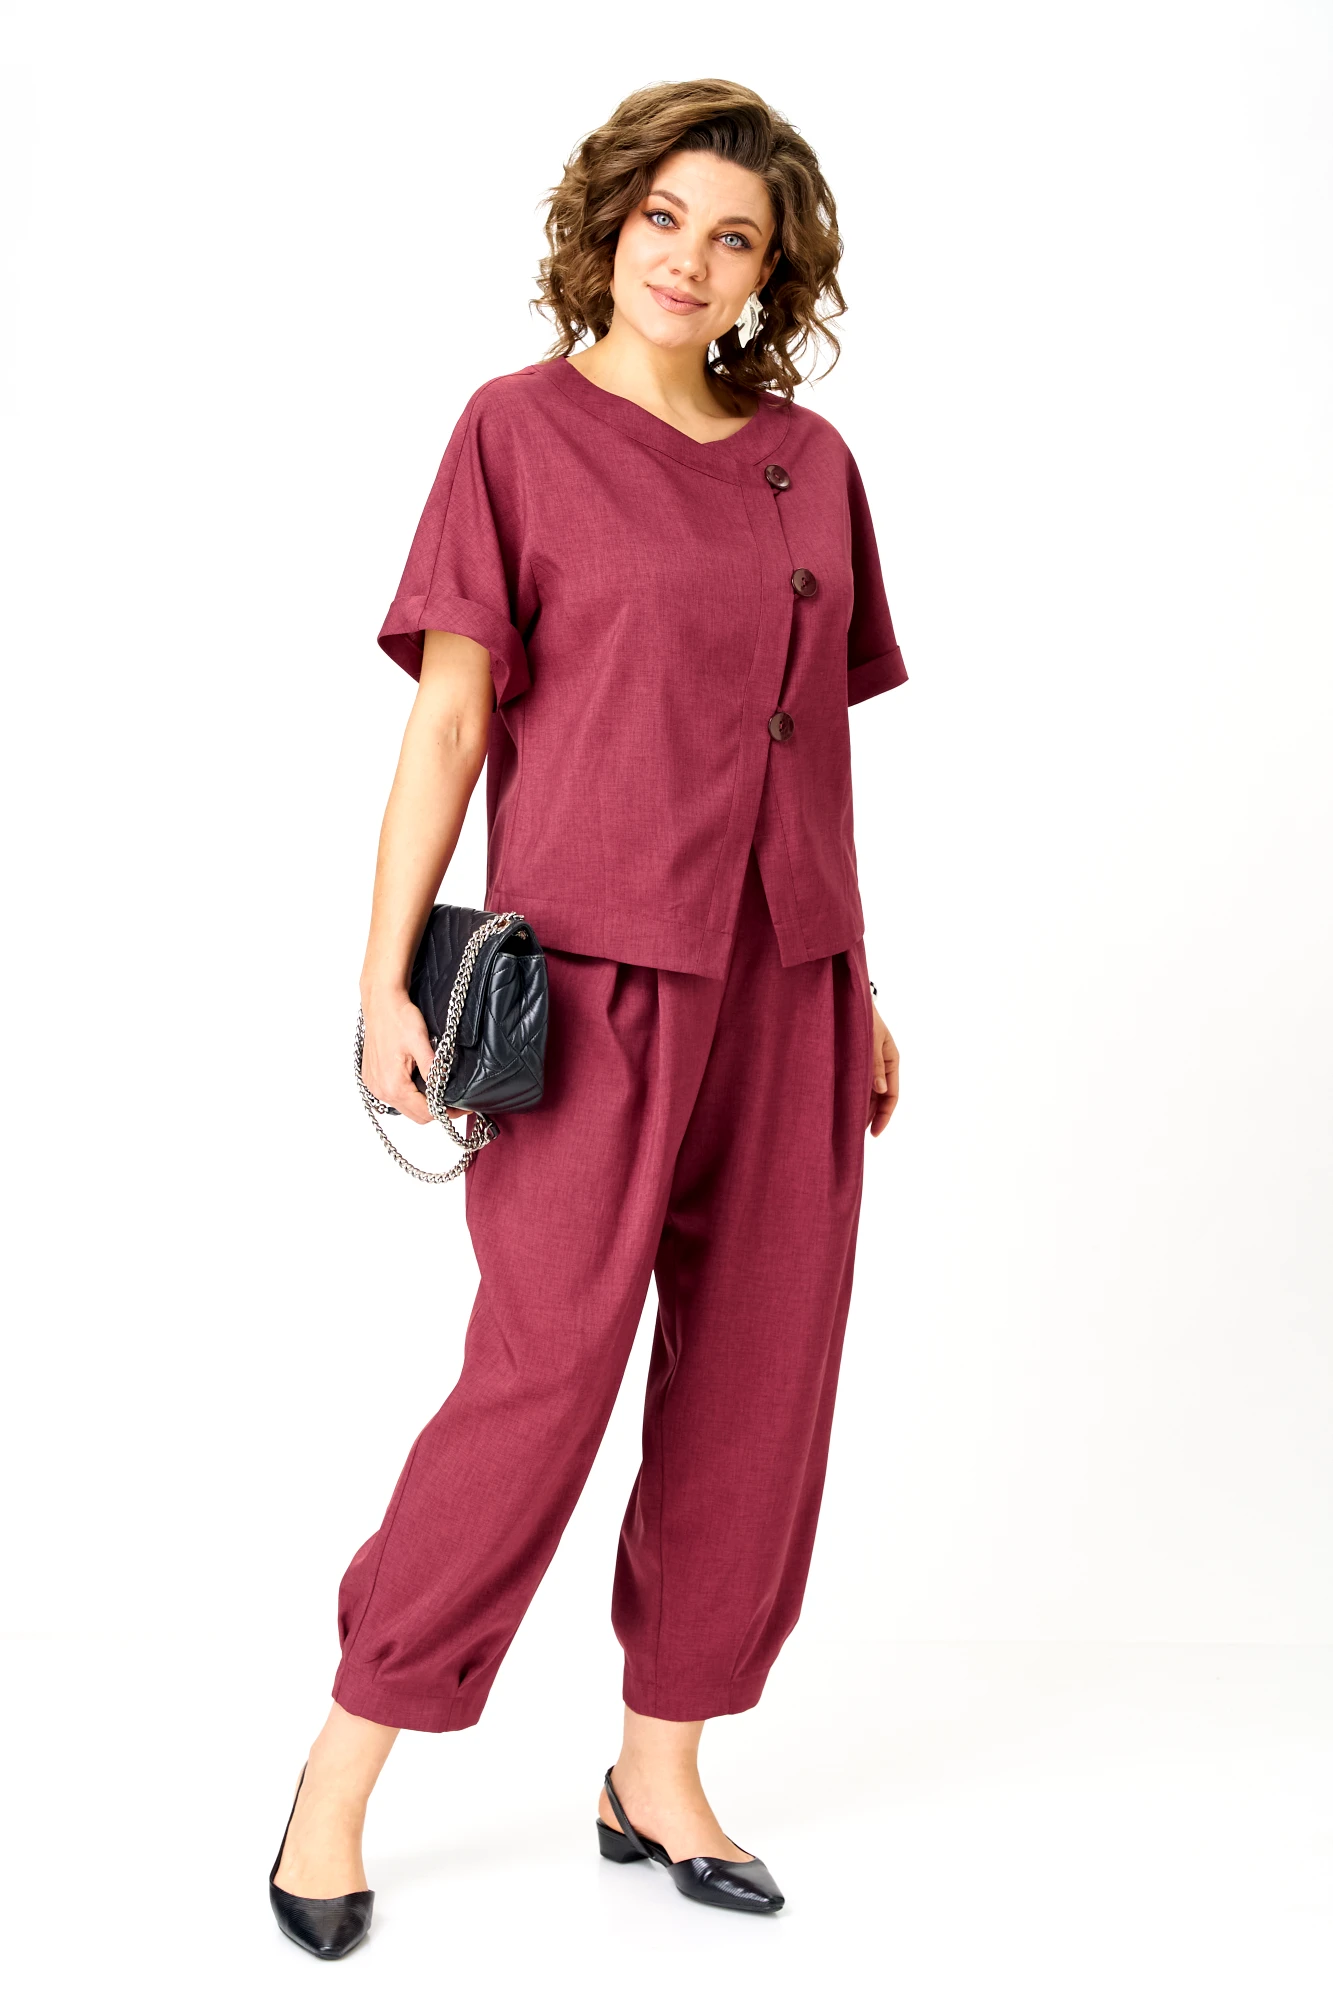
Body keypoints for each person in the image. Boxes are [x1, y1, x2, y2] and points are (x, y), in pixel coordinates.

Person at [269, 76, 907, 1958]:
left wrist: (864, 979)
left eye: (735, 239)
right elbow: (452, 722)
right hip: (593, 985)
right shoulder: (516, 433)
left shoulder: (810, 462)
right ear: (611, 223)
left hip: (792, 981)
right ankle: (343, 1769)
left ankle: (660, 1769)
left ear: (772, 275)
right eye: (665, 219)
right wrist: (382, 979)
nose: (691, 261)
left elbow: (811, 753)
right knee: (541, 1378)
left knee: (761, 1377)